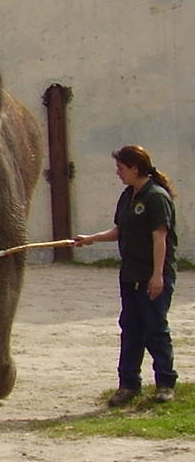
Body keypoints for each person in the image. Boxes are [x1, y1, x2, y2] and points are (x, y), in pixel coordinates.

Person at [73, 145, 179, 406]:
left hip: (152, 275)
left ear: (135, 168)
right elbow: (120, 230)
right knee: (130, 329)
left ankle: (166, 383)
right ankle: (128, 384)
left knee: (155, 329)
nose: (118, 173)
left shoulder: (156, 197)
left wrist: (157, 276)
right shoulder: (128, 196)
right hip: (130, 275)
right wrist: (91, 238)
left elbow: (160, 238)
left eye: (121, 168)